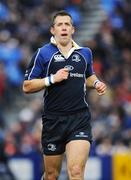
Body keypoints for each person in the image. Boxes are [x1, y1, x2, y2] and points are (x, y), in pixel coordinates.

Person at [23, 10, 106, 180]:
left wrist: (96, 83)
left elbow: (88, 76)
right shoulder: (43, 53)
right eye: (59, 24)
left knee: (76, 171)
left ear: (73, 29)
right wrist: (52, 79)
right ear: (52, 30)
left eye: (67, 24)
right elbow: (27, 86)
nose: (64, 28)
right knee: (52, 175)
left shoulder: (84, 53)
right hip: (53, 121)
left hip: (79, 119)